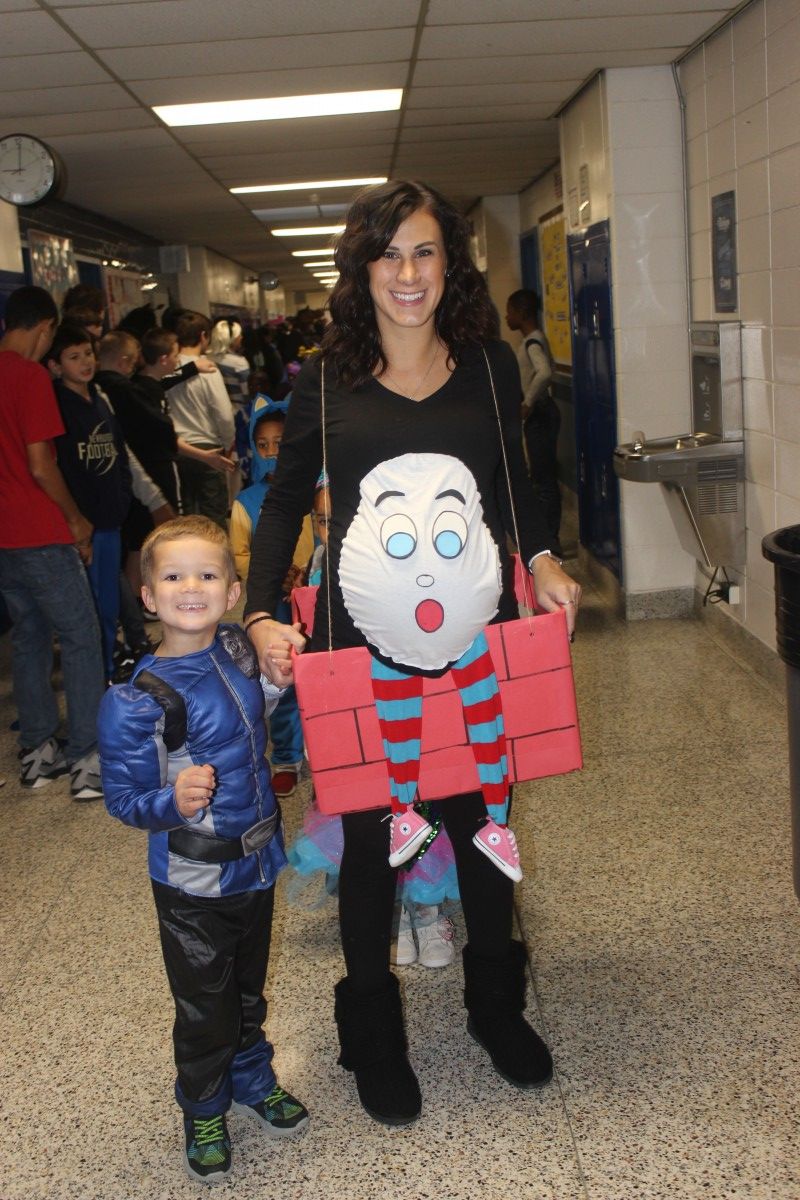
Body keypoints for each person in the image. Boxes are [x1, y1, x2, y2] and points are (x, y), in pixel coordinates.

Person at [243, 179, 581, 1127]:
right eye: (387, 255)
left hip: (472, 644)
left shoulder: (484, 367)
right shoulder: (322, 380)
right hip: (363, 647)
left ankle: (495, 1007)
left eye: (424, 252)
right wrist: (264, 610)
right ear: (360, 271)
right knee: (366, 840)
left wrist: (545, 560)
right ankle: (373, 1037)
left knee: (480, 822)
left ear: (450, 265)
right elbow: (280, 504)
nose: (406, 273)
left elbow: (518, 485)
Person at [97, 516, 309, 1185]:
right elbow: (124, 800)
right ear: (148, 595)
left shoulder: (235, 652)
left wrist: (277, 677)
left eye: (208, 574)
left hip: (256, 861)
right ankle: (204, 1105)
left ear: (233, 589)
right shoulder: (136, 700)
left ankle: (251, 1077)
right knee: (203, 1007)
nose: (192, 586)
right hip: (192, 880)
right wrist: (174, 800)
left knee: (246, 991)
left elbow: (247, 719)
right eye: (173, 575)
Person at [0, 286, 106, 801]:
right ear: (45, 326)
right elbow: (43, 465)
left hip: (2, 541)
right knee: (82, 636)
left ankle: (38, 751)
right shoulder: (29, 376)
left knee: (28, 637)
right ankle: (87, 757)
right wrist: (75, 519)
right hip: (40, 531)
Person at [230, 395, 313, 798]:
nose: (272, 452)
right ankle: (286, 756)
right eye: (263, 445)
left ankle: (331, 751)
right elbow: (240, 553)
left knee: (324, 672)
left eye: (281, 442)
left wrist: (309, 574)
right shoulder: (245, 503)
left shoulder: (318, 490)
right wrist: (275, 577)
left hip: (315, 596)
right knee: (280, 677)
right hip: (275, 603)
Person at [48, 322, 136, 681]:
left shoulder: (99, 399)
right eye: (73, 357)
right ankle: (99, 671)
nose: (84, 362)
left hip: (110, 517)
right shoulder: (58, 407)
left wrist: (123, 493)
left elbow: (118, 451)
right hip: (84, 525)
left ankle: (111, 664)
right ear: (55, 366)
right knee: (92, 606)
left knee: (109, 601)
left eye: (88, 354)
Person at [505, 289, 562, 555]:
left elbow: (544, 372)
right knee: (541, 476)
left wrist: (527, 401)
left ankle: (550, 541)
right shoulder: (533, 339)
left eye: (511, 311)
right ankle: (549, 537)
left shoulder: (532, 343)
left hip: (540, 413)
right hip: (541, 413)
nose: (507, 316)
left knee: (543, 480)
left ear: (522, 313)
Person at [168, 312, 236, 529]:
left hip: (176, 448)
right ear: (204, 336)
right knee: (213, 518)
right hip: (209, 450)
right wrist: (228, 444)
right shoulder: (207, 368)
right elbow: (224, 414)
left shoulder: (166, 367)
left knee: (185, 519)